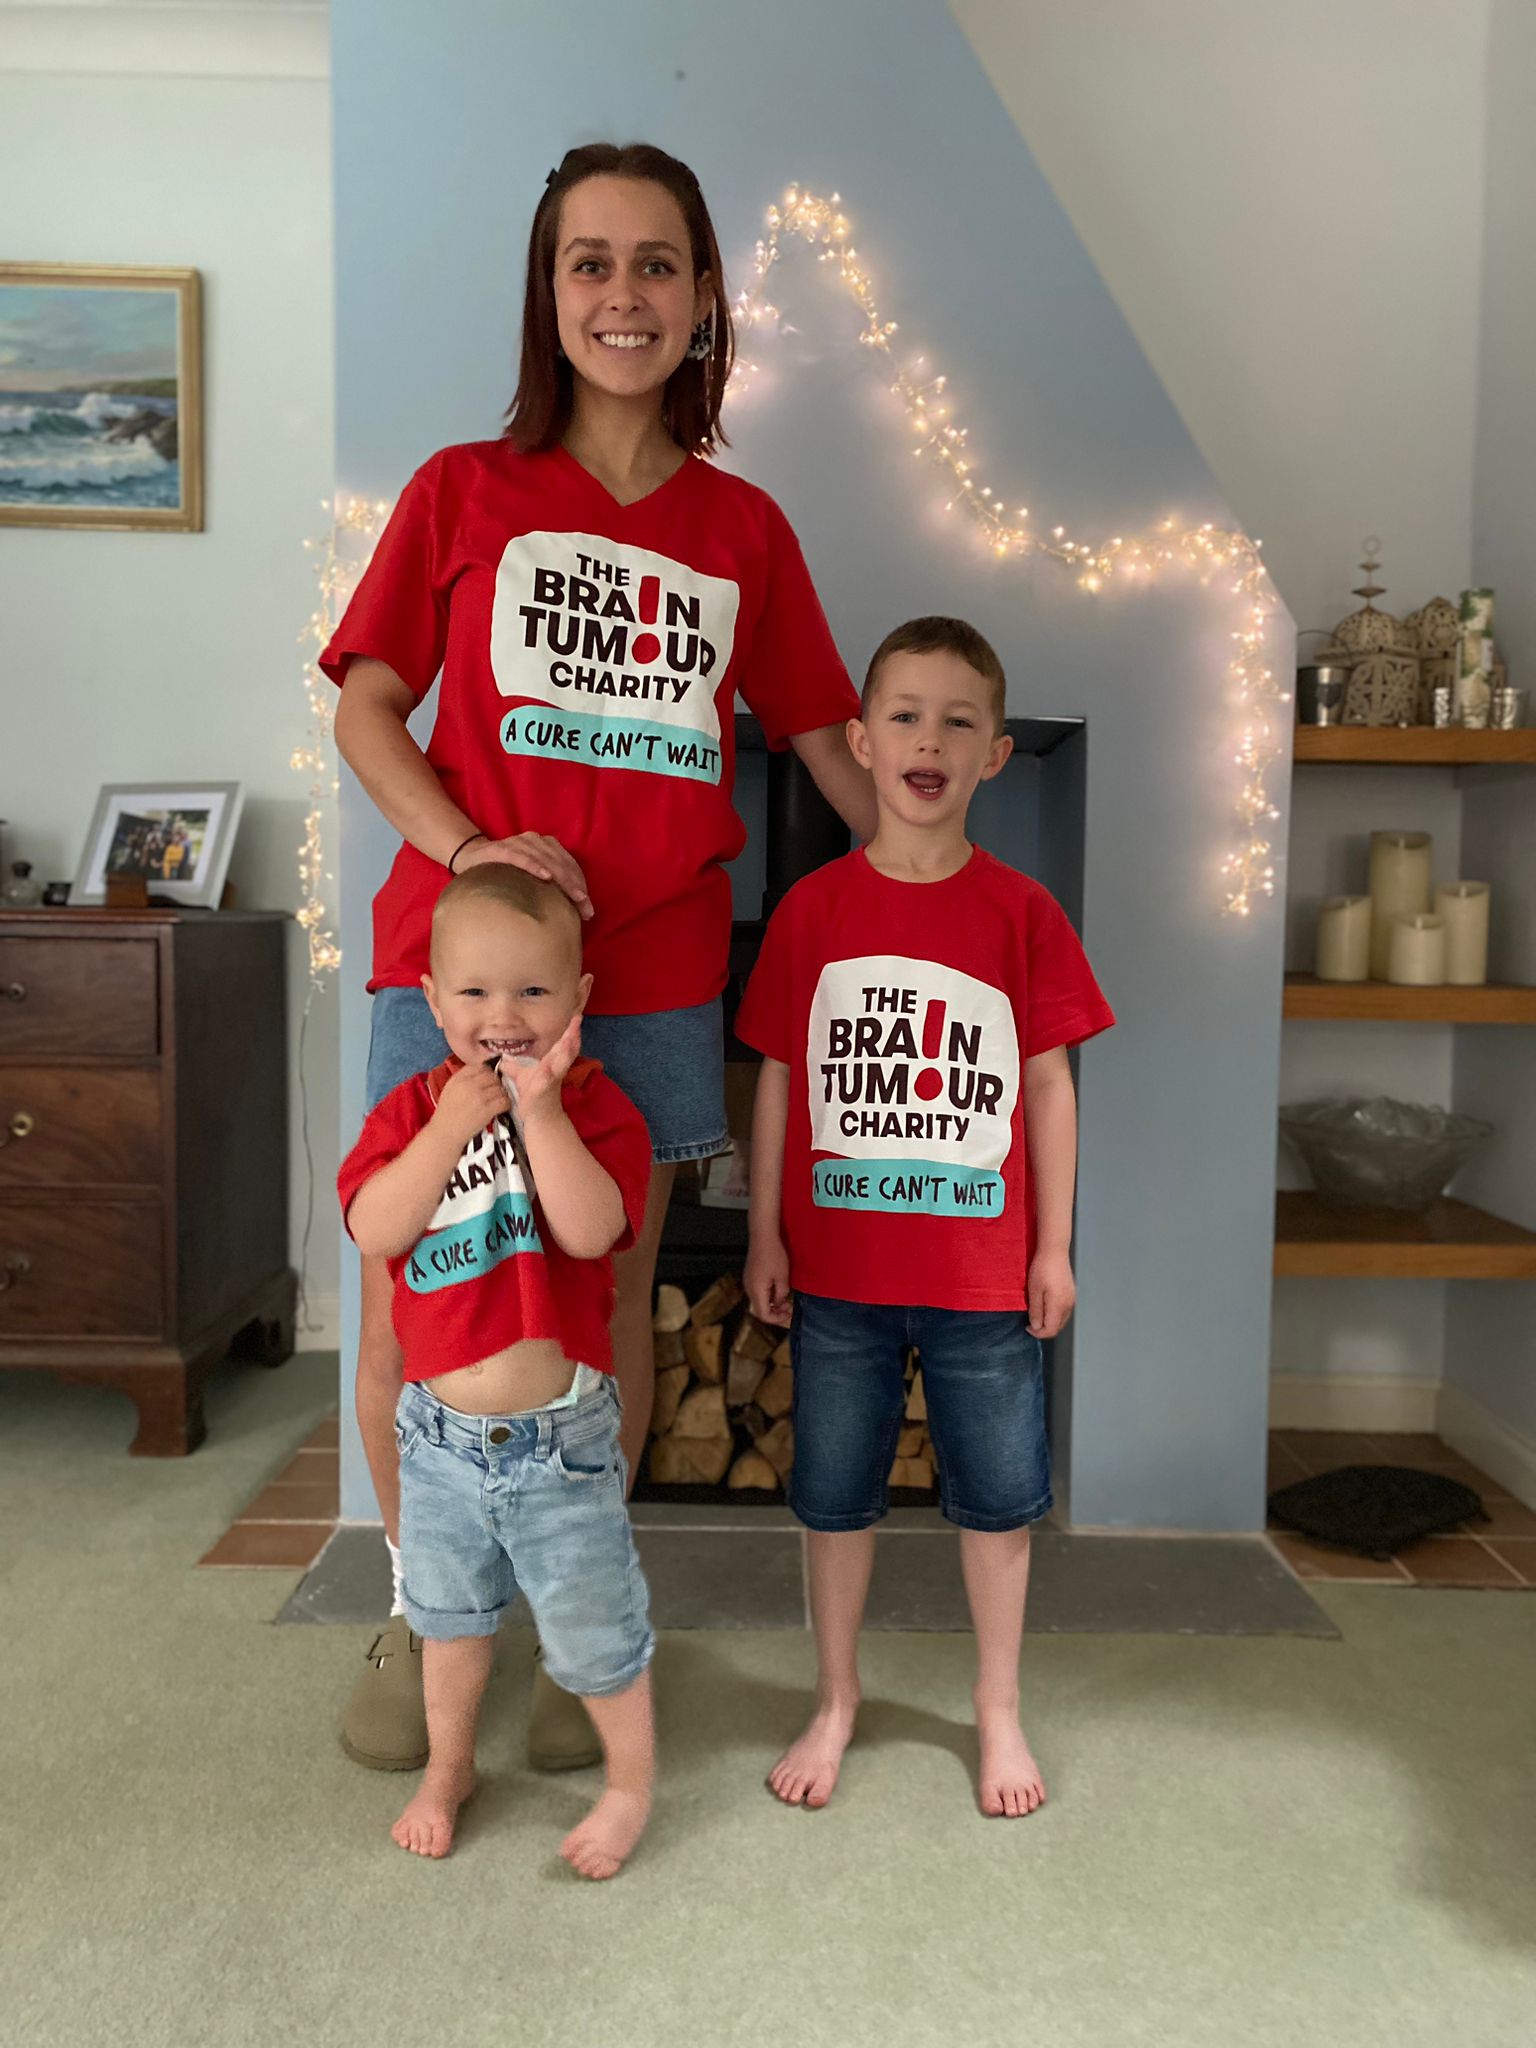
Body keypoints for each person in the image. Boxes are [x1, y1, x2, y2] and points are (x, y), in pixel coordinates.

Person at [326, 141, 873, 1774]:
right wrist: (462, 844)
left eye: (655, 264)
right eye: (588, 262)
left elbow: (827, 736)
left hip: (647, 983)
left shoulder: (745, 529)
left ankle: (578, 1615)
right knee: (402, 1301)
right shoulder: (458, 492)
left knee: (605, 1302)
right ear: (546, 292)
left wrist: (929, 856)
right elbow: (365, 702)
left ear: (705, 299)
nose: (621, 295)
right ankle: (423, 1604)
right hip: (454, 973)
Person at [737, 616, 1115, 1817]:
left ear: (996, 754)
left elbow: (1051, 1083)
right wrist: (762, 1231)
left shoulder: (1022, 913)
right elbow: (782, 1081)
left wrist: (1053, 1244)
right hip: (839, 1271)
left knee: (1000, 1497)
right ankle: (836, 1695)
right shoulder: (810, 914)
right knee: (834, 1492)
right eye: (904, 714)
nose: (929, 739)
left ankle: (996, 1706)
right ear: (860, 738)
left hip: (981, 1279)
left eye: (960, 719)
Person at [337, 864, 656, 1877]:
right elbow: (373, 1224)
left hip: (561, 1435)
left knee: (597, 1624)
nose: (502, 1015)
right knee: (449, 1618)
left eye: (531, 991)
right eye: (473, 992)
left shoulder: (601, 1112)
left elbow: (595, 1225)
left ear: (577, 1001)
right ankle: (450, 1766)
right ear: (432, 1001)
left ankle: (630, 1783)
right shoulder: (408, 1117)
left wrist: (543, 1114)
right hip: (437, 1438)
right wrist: (445, 1128)